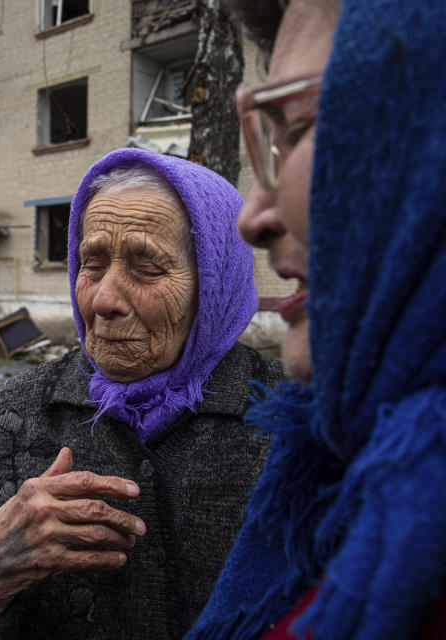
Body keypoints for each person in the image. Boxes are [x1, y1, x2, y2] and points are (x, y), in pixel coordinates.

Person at [0, 148, 284, 640]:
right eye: (92, 263)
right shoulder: (19, 413)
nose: (103, 300)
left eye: (147, 268)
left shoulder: (295, 420)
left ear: (216, 282)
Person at [185, 0, 446, 638]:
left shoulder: (265, 418)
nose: (253, 218)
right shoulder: (323, 460)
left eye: (295, 130)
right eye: (88, 258)